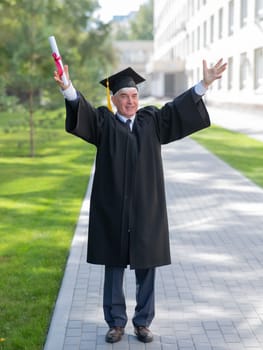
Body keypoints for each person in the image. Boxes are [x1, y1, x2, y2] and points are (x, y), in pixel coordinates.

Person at [53, 59, 227, 344]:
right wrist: (68, 88)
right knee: (113, 265)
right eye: (124, 96)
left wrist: (204, 84)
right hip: (113, 209)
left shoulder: (151, 121)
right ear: (114, 99)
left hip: (147, 208)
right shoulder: (103, 122)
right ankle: (116, 323)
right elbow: (80, 110)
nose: (131, 101)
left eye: (134, 96)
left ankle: (143, 323)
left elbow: (177, 108)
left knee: (148, 265)